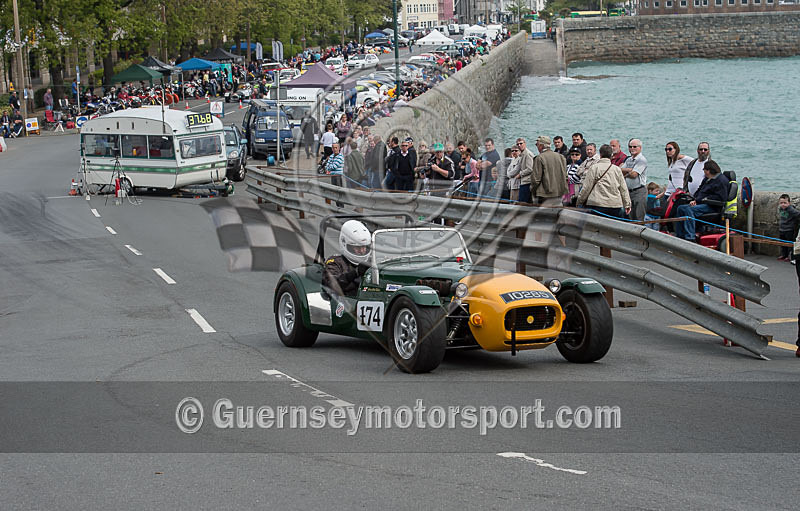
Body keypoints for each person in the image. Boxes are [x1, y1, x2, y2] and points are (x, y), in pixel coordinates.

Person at [674, 160, 729, 242]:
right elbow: (700, 190)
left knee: (689, 210)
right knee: (680, 208)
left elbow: (721, 198)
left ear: (708, 170)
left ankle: (690, 236)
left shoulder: (721, 181)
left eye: (704, 170)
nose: (704, 172)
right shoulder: (707, 179)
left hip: (712, 206)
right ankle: (680, 234)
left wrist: (703, 200)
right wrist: (695, 200)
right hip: (701, 202)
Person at [576, 144, 631, 219]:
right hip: (614, 205)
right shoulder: (617, 169)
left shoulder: (594, 168)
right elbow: (623, 188)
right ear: (611, 155)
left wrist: (579, 201)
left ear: (600, 154)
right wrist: (627, 205)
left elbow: (586, 187)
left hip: (596, 204)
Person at [323, 220, 371, 296]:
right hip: (345, 301)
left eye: (364, 247)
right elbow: (332, 285)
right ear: (344, 244)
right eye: (357, 248)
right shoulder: (334, 262)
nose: (362, 251)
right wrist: (356, 273)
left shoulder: (372, 261)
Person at [531, 135, 567, 206]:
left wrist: (533, 191)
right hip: (559, 193)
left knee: (544, 215)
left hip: (545, 194)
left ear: (541, 146)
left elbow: (536, 179)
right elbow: (565, 176)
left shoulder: (539, 158)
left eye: (536, 145)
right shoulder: (561, 157)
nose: (536, 146)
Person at [621, 139, 648, 221]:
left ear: (640, 148)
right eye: (630, 147)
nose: (632, 148)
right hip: (629, 192)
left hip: (639, 191)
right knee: (629, 216)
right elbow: (619, 170)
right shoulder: (629, 160)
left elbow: (634, 175)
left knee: (638, 216)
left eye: (634, 147)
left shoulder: (642, 160)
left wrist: (626, 173)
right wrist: (630, 170)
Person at [778, 194, 800, 261]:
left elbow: (798, 214)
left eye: (785, 203)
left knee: (789, 244)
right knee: (782, 243)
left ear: (789, 203)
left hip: (789, 229)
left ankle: (789, 256)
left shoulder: (791, 209)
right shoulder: (780, 209)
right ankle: (783, 254)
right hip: (782, 229)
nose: (783, 204)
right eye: (781, 203)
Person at [516, 137, 535, 203]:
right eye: (517, 144)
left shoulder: (527, 154)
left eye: (521, 143)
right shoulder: (522, 154)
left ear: (525, 144)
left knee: (522, 202)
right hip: (524, 181)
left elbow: (530, 169)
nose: (519, 145)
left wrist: (520, 174)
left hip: (527, 182)